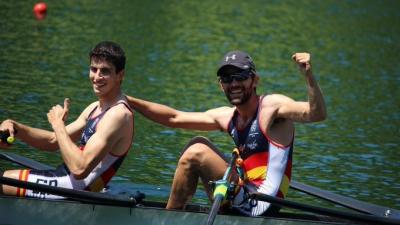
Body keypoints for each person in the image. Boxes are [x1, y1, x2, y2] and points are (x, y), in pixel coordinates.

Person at [126, 50, 326, 216]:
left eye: (240, 77)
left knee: (196, 153)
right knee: (197, 141)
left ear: (255, 80)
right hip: (242, 195)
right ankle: (177, 213)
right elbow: (174, 118)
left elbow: (316, 114)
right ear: (220, 85)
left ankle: (170, 219)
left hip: (262, 204)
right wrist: (127, 100)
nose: (234, 84)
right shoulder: (227, 116)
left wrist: (309, 76)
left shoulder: (272, 107)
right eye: (227, 79)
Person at [0, 41, 134, 199]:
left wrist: (58, 124)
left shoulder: (118, 115)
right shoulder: (94, 108)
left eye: (105, 71)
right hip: (65, 180)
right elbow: (52, 141)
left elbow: (79, 169)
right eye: (93, 69)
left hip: (76, 189)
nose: (97, 77)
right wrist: (16, 128)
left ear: (120, 75)